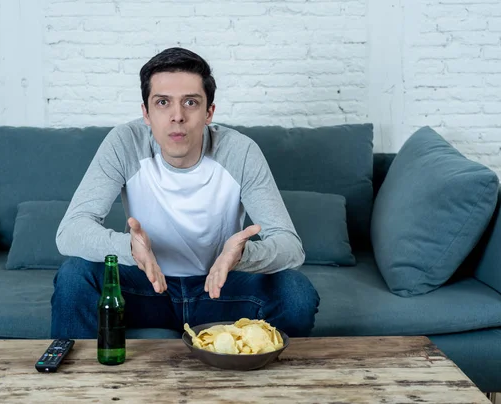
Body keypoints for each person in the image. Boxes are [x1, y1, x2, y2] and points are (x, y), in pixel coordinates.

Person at [51, 47, 320, 339]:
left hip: (218, 289)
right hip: (147, 286)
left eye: (190, 102)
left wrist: (240, 255)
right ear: (146, 113)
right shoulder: (124, 143)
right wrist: (129, 248)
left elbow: (290, 246)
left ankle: (271, 380)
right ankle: (80, 381)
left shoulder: (240, 151)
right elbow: (70, 232)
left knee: (295, 292)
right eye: (163, 102)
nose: (177, 116)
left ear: (209, 112)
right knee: (74, 276)